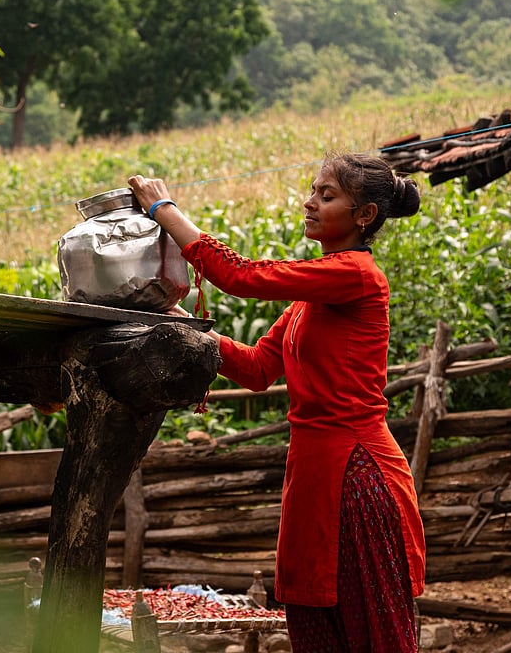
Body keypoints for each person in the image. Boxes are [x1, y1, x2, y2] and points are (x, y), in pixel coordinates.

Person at [128, 152, 426, 652]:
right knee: (316, 632)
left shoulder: (355, 275)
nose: (309, 203)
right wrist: (173, 315)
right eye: (312, 191)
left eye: (326, 195)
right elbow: (256, 369)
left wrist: (165, 208)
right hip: (311, 480)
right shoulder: (312, 294)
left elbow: (242, 276)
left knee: (373, 637)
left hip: (355, 477)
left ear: (364, 215)